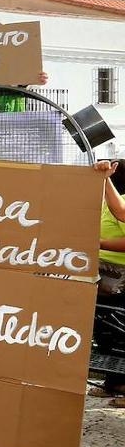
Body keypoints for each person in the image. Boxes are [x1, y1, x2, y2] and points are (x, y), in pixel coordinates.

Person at [96, 161, 125, 406]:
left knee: (117, 332)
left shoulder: (118, 201)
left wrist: (99, 243)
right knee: (106, 330)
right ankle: (113, 383)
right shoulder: (107, 201)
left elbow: (121, 212)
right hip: (104, 270)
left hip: (117, 275)